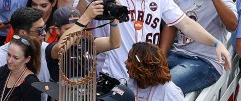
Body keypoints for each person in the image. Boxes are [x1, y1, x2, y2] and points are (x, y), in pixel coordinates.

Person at [77, 0, 231, 82]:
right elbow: (78, 11)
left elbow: (186, 24)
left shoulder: (161, 1)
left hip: (143, 74)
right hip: (111, 74)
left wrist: (215, 43)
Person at [160, 0, 238, 94]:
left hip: (205, 61)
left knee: (164, 86)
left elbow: (232, 25)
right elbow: (172, 25)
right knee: (145, 78)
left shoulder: (224, 1)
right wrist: (160, 58)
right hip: (177, 53)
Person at [45, 3, 120, 83]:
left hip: (89, 93)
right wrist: (86, 16)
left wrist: (114, 19)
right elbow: (61, 47)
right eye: (69, 29)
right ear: (57, 30)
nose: (76, 33)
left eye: (78, 28)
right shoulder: (52, 47)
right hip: (65, 93)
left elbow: (114, 43)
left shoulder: (87, 42)